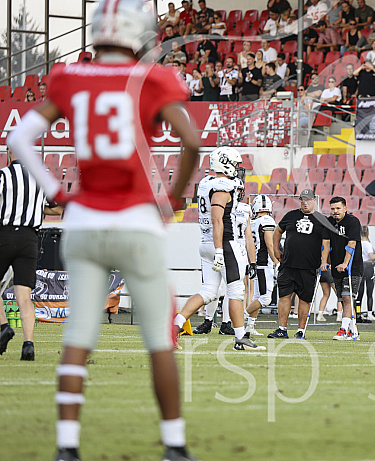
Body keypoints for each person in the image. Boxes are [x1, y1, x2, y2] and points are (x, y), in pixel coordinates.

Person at [6, 0, 201, 459]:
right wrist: (172, 198)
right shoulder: (153, 77)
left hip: (85, 220)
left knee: (78, 338)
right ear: (140, 31)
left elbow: (18, 139)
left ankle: (67, 446)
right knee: (158, 339)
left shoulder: (71, 77)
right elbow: (190, 139)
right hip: (136, 220)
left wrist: (55, 191)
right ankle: (173, 443)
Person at [173, 148, 249, 337]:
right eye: (235, 164)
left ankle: (176, 324)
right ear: (225, 163)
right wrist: (220, 251)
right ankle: (241, 338)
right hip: (222, 243)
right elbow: (217, 219)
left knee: (208, 292)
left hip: (205, 242)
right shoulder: (223, 186)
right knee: (236, 291)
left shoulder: (206, 182)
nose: (237, 168)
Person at [0, 149, 62, 360]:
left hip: (5, 235)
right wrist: (37, 208)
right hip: (30, 239)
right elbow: (57, 208)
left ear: (9, 154)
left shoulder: (3, 175)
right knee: (24, 296)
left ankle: (3, 327)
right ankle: (28, 345)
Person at [268, 189, 330, 339]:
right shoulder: (291, 215)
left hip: (308, 266)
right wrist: (276, 249)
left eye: (308, 200)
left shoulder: (321, 220)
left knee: (304, 299)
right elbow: (277, 231)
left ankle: (301, 331)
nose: (305, 202)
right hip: (288, 264)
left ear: (314, 200)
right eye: (303, 199)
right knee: (284, 295)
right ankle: (282, 328)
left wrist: (323, 261)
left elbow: (326, 243)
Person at [324, 197, 363, 340]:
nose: (335, 211)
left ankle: (343, 330)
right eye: (333, 208)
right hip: (336, 266)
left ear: (345, 209)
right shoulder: (328, 222)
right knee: (344, 299)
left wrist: (345, 264)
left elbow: (351, 244)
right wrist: (324, 262)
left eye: (338, 208)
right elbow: (326, 244)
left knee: (347, 297)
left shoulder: (353, 222)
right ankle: (354, 332)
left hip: (353, 267)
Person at [245, 195, 280, 336]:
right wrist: (277, 262)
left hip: (256, 262)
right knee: (265, 298)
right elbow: (270, 245)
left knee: (257, 297)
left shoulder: (253, 222)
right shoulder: (267, 220)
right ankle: (240, 317)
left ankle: (249, 326)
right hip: (264, 263)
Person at [355, 225, 375, 322]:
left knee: (360, 292)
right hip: (368, 267)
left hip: (361, 266)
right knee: (369, 292)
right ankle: (369, 313)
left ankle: (357, 313)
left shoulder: (358, 243)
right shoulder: (367, 244)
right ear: (368, 233)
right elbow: (372, 256)